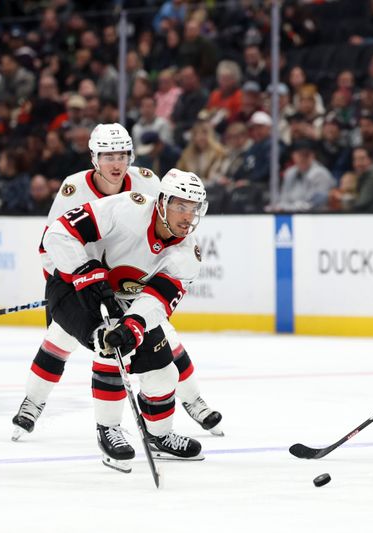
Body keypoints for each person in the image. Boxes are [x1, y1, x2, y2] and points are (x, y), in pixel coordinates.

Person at [12, 123, 223, 448]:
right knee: (65, 338)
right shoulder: (83, 192)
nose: (116, 162)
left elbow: (160, 292)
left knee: (163, 347)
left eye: (122, 154)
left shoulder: (150, 188)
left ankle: (191, 403)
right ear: (94, 158)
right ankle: (40, 404)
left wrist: (135, 323)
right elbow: (52, 241)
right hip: (84, 279)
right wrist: (76, 284)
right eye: (108, 154)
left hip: (131, 288)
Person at [41, 168, 209, 472]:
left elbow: (156, 301)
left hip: (123, 299)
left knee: (162, 371)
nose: (188, 216)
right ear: (161, 203)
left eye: (194, 208)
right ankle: (108, 429)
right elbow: (57, 233)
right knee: (109, 343)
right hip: (70, 283)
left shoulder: (188, 254)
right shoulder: (125, 208)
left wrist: (134, 325)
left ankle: (159, 436)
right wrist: (85, 273)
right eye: (180, 206)